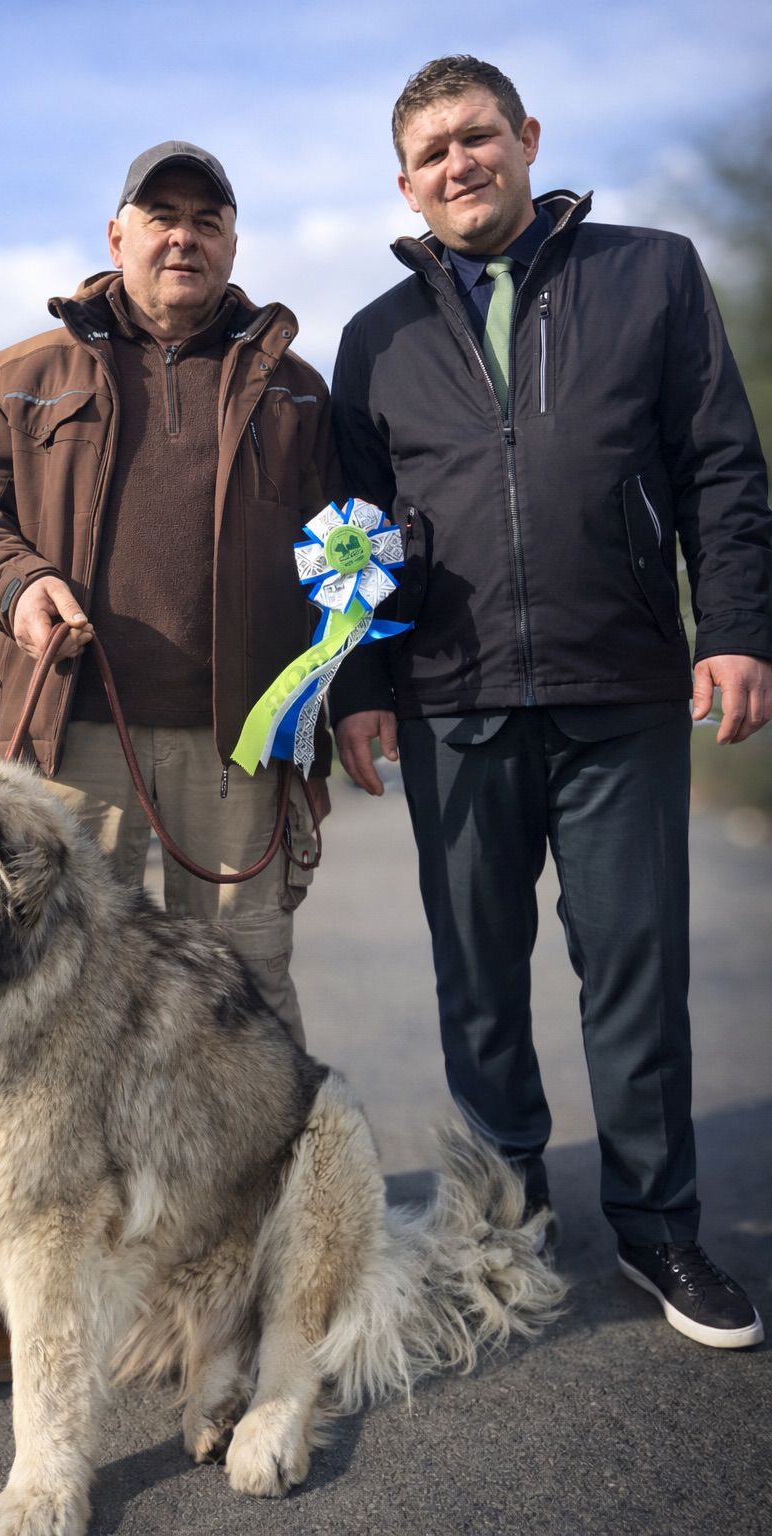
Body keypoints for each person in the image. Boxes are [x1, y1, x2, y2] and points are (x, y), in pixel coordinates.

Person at [330, 55, 770, 1348]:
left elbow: (723, 471)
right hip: (450, 703)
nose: (460, 164)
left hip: (620, 683)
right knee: (479, 980)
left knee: (633, 968)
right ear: (405, 185)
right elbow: (350, 537)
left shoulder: (653, 274)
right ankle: (508, 1214)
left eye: (479, 137)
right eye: (432, 153)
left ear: (526, 137)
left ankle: (659, 1228)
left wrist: (736, 630)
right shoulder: (375, 340)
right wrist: (362, 689)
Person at [0, 140, 334, 1378]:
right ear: (116, 237)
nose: (183, 238)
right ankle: (16, 1286)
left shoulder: (295, 389)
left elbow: (345, 560)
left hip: (237, 737)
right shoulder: (24, 372)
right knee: (49, 1008)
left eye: (208, 219)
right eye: (159, 217)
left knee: (244, 1001)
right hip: (70, 734)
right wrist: (22, 582)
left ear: (231, 242)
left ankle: (262, 1262)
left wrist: (336, 707)